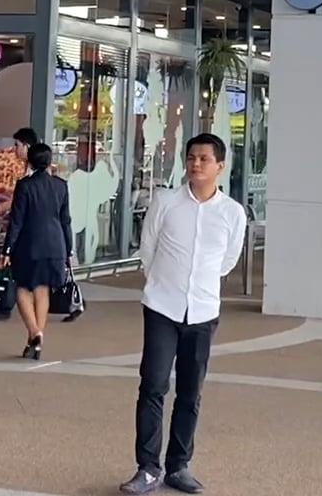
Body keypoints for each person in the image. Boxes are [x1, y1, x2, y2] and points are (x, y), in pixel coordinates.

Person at [119, 134, 247, 495]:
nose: (195, 164)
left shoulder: (231, 213)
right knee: (153, 386)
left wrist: (197, 287)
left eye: (204, 159)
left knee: (191, 392)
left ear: (220, 166)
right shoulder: (166, 202)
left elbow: (227, 262)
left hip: (203, 310)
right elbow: (148, 249)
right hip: (162, 306)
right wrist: (163, 283)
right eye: (191, 158)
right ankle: (147, 468)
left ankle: (179, 466)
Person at [0, 139, 73, 360]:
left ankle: (34, 332)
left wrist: (7, 249)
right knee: (42, 291)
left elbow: (17, 221)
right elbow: (66, 221)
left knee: (23, 289)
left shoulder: (25, 186)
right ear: (50, 162)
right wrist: (69, 250)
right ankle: (36, 343)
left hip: (29, 245)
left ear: (30, 162)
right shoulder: (61, 186)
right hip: (56, 245)